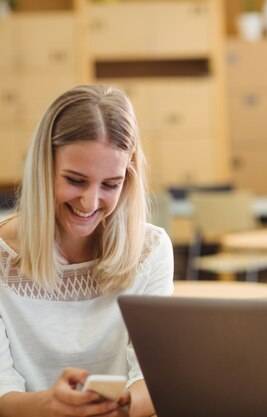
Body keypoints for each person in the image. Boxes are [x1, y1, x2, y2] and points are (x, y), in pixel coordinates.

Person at [0, 84, 174, 417]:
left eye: (111, 184)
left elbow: (151, 378)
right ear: (43, 168)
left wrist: (116, 410)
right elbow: (2, 393)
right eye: (76, 180)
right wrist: (51, 406)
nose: (90, 203)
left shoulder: (151, 250)